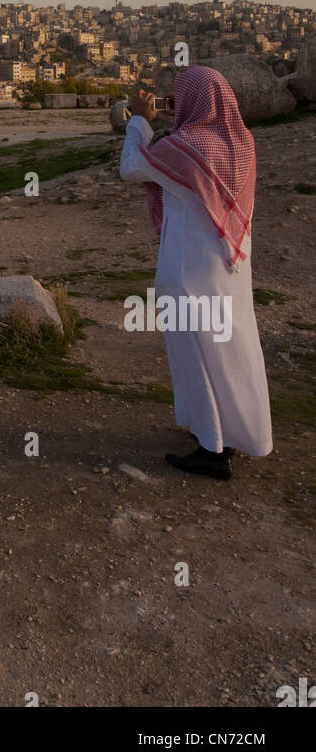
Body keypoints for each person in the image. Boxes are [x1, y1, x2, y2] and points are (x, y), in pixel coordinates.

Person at [119, 66, 272, 481]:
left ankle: (211, 448)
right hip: (230, 266)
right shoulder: (242, 144)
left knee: (196, 354)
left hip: (188, 266)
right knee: (231, 347)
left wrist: (139, 120)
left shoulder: (186, 145)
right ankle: (236, 432)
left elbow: (132, 166)